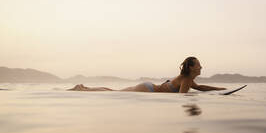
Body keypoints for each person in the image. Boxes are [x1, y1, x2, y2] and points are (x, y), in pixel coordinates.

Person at [68, 56, 226, 93]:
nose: (201, 67)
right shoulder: (186, 80)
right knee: (114, 92)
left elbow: (201, 87)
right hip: (147, 89)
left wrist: (219, 89)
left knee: (114, 92)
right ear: (192, 68)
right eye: (199, 65)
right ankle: (82, 88)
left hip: (147, 87)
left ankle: (83, 87)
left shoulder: (188, 80)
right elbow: (182, 98)